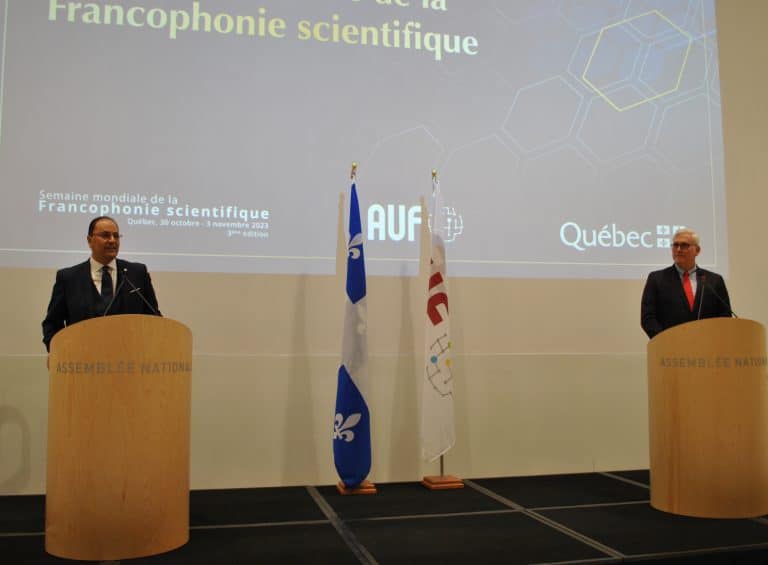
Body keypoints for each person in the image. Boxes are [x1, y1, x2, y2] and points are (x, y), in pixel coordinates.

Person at [42, 216, 161, 351]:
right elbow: (52, 324)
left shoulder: (137, 273)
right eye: (105, 235)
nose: (112, 240)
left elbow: (154, 318)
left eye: (116, 236)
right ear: (89, 240)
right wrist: (59, 353)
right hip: (83, 358)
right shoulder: (69, 278)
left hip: (131, 357)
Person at [641, 228, 731, 339]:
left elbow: (725, 317)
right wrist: (665, 341)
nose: (678, 249)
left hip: (707, 345)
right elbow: (648, 318)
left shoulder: (714, 281)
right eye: (675, 245)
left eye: (684, 245)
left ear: (697, 250)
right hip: (669, 345)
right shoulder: (657, 279)